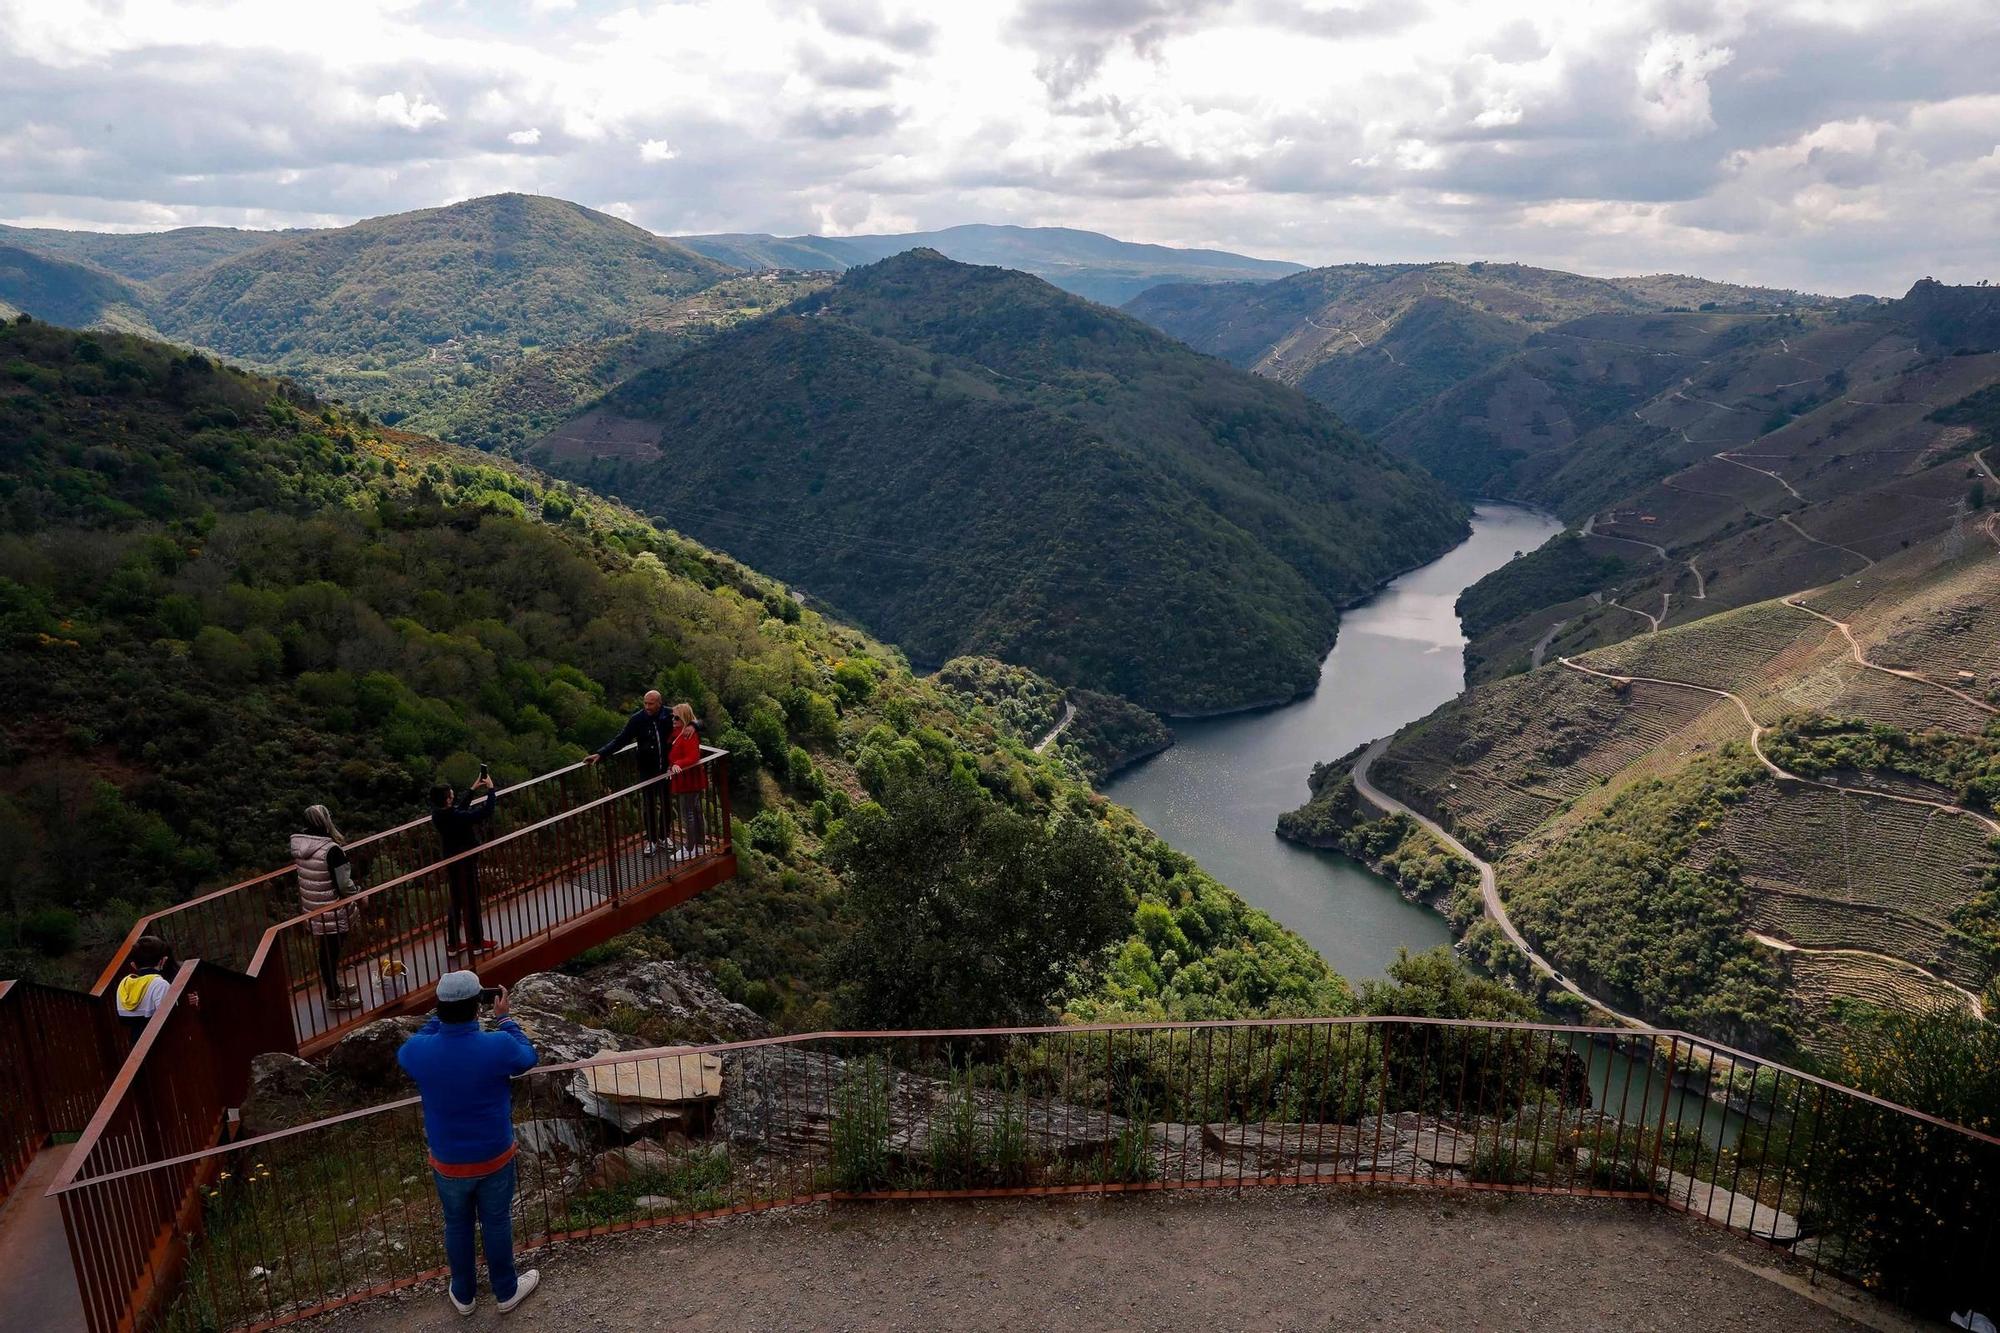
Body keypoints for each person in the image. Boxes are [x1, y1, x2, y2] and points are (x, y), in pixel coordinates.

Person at [396, 970, 541, 1316]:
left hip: (447, 1161)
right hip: (494, 1156)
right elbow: (527, 1057)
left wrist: (438, 1018)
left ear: (441, 1006)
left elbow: (408, 1051)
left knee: (457, 1224)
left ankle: (463, 1294)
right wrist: (505, 1019)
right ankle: (505, 1290)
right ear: (478, 1005)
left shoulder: (419, 1051)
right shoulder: (496, 1045)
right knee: (496, 1221)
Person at [584, 688, 671, 856]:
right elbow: (621, 739)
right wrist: (601, 753)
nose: (647, 706)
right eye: (645, 703)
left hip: (666, 768)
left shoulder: (669, 714)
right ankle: (652, 840)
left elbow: (692, 720)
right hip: (647, 769)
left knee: (666, 803)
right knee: (649, 805)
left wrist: (693, 727)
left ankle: (664, 836)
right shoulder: (638, 719)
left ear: (659, 703)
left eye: (650, 704)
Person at [292, 804, 360, 1011]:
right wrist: (359, 894)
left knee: (327, 951)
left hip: (314, 908)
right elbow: (344, 885)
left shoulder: (300, 845)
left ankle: (334, 987)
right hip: (332, 909)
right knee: (330, 952)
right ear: (326, 822)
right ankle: (334, 996)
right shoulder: (332, 851)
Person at [431, 774, 497, 959]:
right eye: (451, 795)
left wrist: (473, 788)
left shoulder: (438, 815)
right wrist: (491, 790)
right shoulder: (455, 817)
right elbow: (485, 812)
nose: (453, 796)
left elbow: (458, 811)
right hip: (466, 863)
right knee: (472, 900)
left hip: (452, 863)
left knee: (456, 902)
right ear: (447, 800)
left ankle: (453, 944)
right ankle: (476, 942)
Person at [113, 935, 175, 1044]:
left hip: (136, 1042)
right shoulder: (160, 984)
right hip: (160, 1043)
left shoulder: (124, 985)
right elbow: (169, 1018)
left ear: (133, 965)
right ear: (163, 961)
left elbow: (123, 1019)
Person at [668, 702, 708, 856]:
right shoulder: (678, 732)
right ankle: (698, 845)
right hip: (688, 778)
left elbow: (693, 757)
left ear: (684, 719)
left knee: (689, 814)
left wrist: (677, 764)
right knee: (695, 812)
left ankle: (690, 848)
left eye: (676, 718)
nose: (673, 720)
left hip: (688, 779)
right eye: (673, 717)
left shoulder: (688, 734)